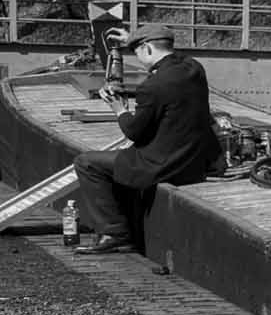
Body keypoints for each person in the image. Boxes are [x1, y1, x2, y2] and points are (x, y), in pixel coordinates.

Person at [70, 23, 219, 255]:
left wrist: (118, 108)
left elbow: (133, 132)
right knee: (117, 159)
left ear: (148, 48)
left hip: (163, 165)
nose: (138, 58)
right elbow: (168, 54)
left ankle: (115, 233)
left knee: (87, 162)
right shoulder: (194, 68)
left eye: (138, 52)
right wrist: (134, 40)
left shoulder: (152, 86)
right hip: (196, 162)